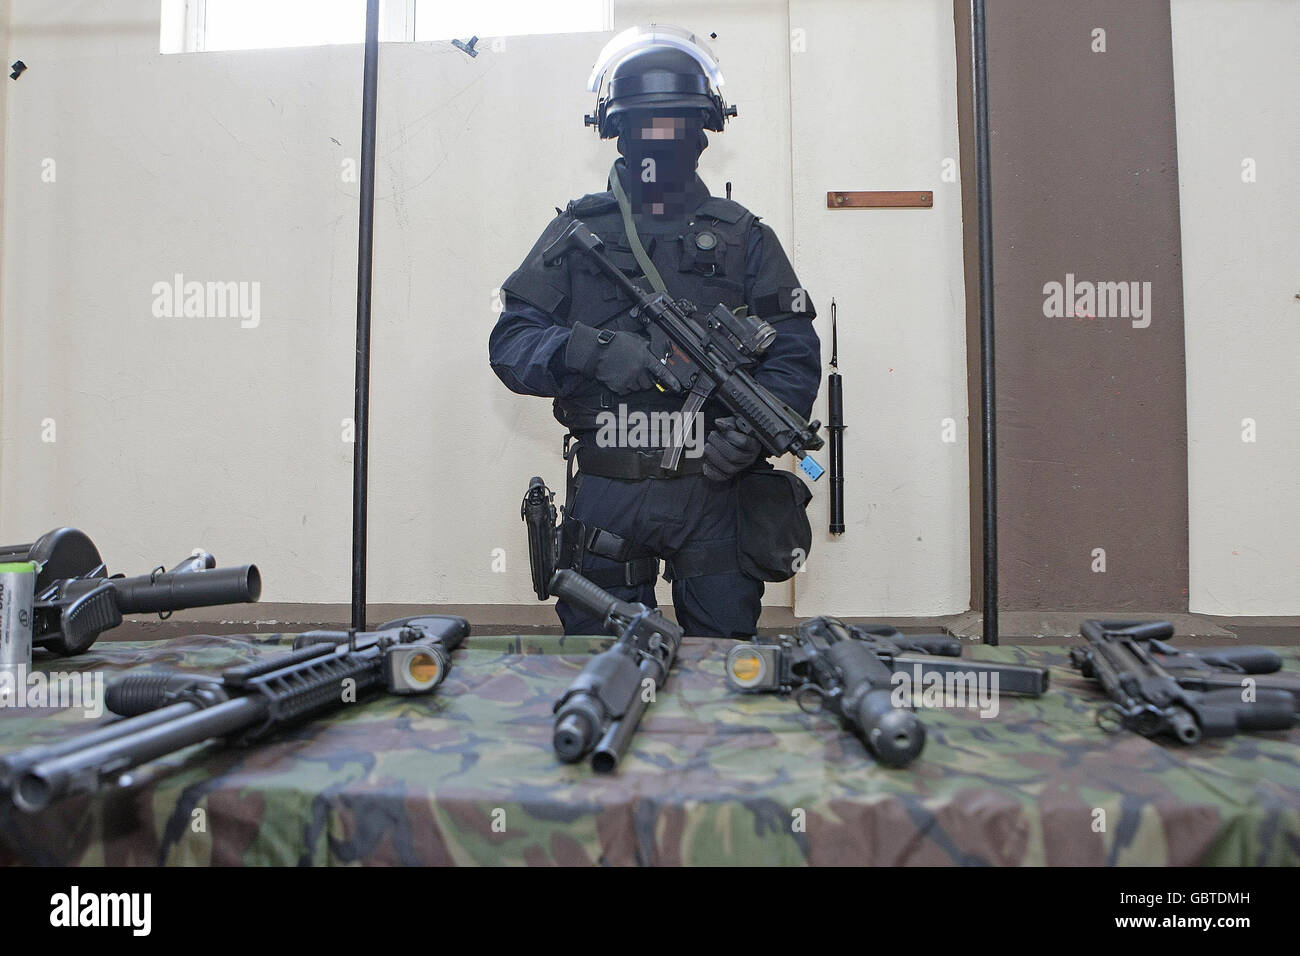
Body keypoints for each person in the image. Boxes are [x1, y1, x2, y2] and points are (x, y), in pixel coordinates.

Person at [490, 26, 820, 637]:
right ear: (618, 132)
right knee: (604, 671)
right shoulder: (577, 233)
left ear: (704, 133)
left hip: (716, 489)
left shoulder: (743, 237)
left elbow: (792, 348)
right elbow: (511, 343)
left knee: (723, 669)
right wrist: (591, 351)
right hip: (611, 484)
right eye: (649, 126)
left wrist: (751, 434)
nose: (662, 142)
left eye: (678, 125)